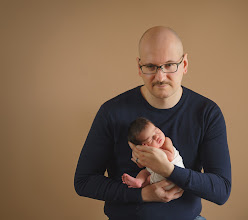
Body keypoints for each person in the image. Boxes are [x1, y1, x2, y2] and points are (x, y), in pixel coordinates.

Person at [74, 26, 231, 220]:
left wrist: (169, 170)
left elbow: (221, 190)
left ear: (185, 64)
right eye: (151, 67)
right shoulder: (111, 112)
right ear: (139, 67)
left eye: (170, 65)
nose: (160, 76)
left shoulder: (207, 113)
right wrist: (142, 194)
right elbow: (84, 181)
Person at [122, 117, 185, 190]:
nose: (156, 136)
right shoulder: (146, 152)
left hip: (173, 174)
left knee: (148, 178)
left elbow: (170, 157)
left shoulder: (166, 141)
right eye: (150, 139)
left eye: (156, 130)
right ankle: (138, 181)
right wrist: (137, 159)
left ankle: (143, 183)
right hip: (159, 179)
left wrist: (155, 151)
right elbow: (141, 166)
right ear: (145, 146)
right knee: (144, 172)